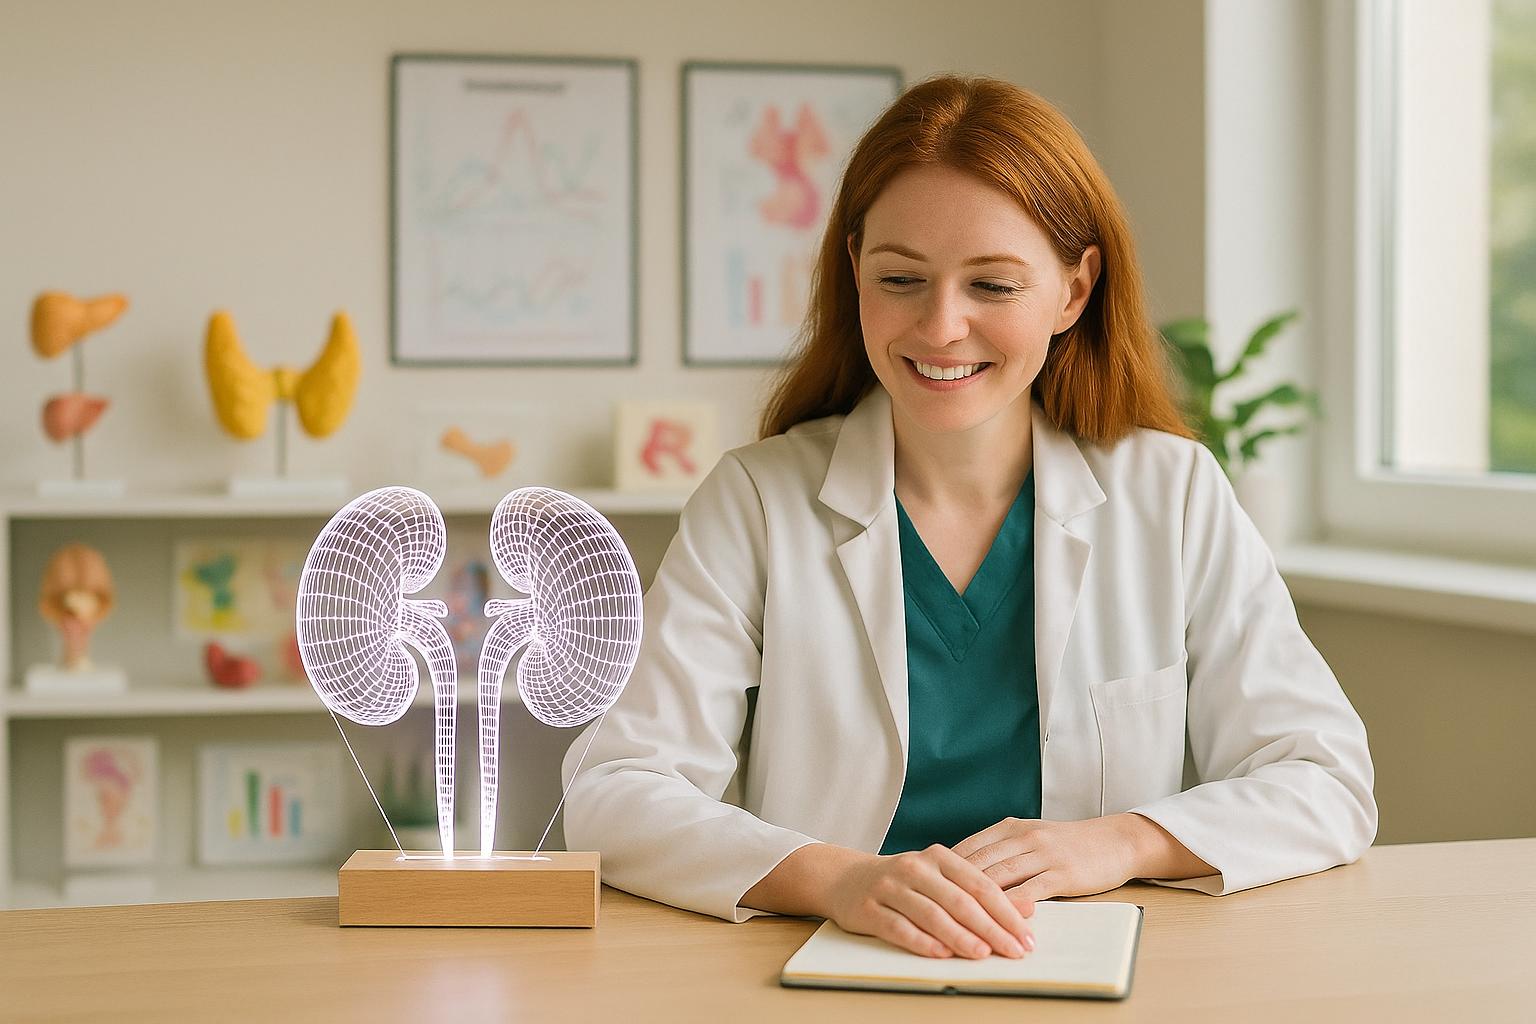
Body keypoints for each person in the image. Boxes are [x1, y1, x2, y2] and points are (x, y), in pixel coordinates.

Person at [562, 75, 1376, 961]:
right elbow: (614, 791)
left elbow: (1326, 781)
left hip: (1081, 961)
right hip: (832, 966)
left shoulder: (1171, 492)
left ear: (1073, 291)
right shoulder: (757, 501)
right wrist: (836, 878)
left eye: (992, 284)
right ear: (854, 273)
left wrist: (1115, 841)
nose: (941, 326)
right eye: (901, 278)